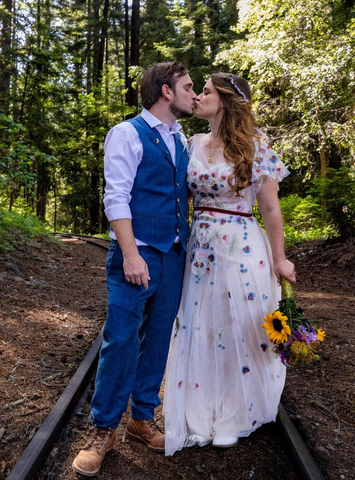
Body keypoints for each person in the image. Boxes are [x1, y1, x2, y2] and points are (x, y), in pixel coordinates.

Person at [73, 62, 196, 476]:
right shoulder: (126, 133)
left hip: (174, 254)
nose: (193, 94)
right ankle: (102, 428)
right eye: (188, 87)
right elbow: (117, 197)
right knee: (121, 340)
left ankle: (141, 419)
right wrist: (129, 254)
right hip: (135, 253)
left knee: (158, 340)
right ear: (166, 91)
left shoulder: (182, 139)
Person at [164, 73, 296, 456]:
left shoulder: (256, 146)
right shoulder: (190, 144)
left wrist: (280, 258)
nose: (198, 97)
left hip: (240, 247)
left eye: (205, 91)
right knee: (202, 325)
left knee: (238, 325)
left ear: (224, 101)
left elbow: (270, 208)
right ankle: (202, 405)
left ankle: (236, 413)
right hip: (200, 249)